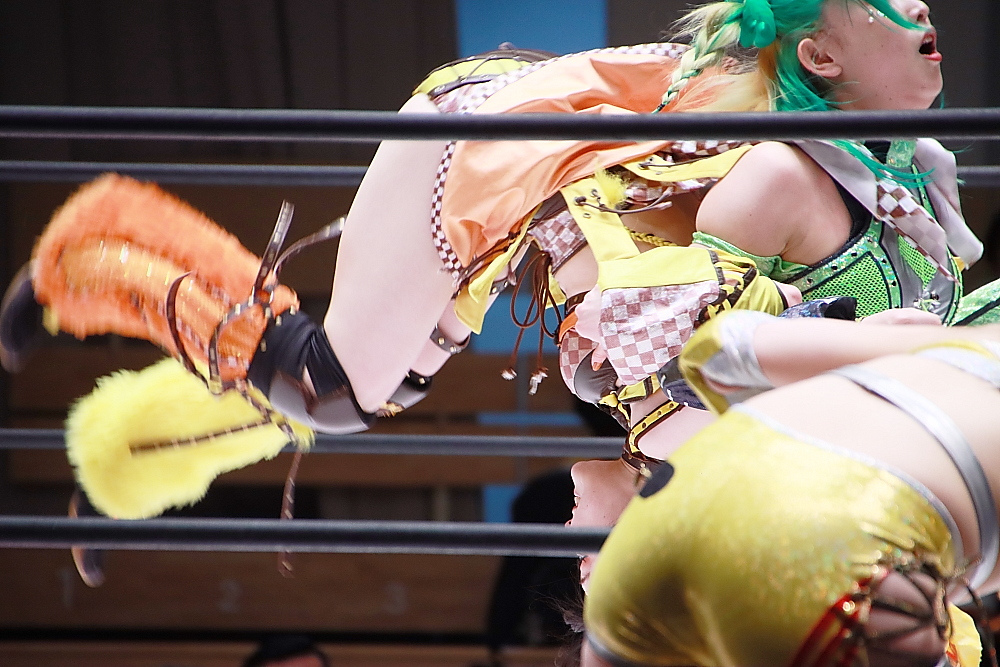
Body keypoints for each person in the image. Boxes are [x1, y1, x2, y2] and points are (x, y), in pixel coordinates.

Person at [0, 0, 991, 518]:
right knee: (329, 388)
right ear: (820, 58)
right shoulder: (779, 176)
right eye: (886, 3)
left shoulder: (903, 179)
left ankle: (128, 456)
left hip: (528, 203)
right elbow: (655, 355)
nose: (919, 8)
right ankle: (91, 252)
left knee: (365, 396)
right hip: (478, 152)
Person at [580, 310, 1000, 667]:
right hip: (833, 550)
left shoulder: (959, 348)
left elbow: (721, 346)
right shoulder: (965, 351)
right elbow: (719, 351)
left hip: (671, 521)